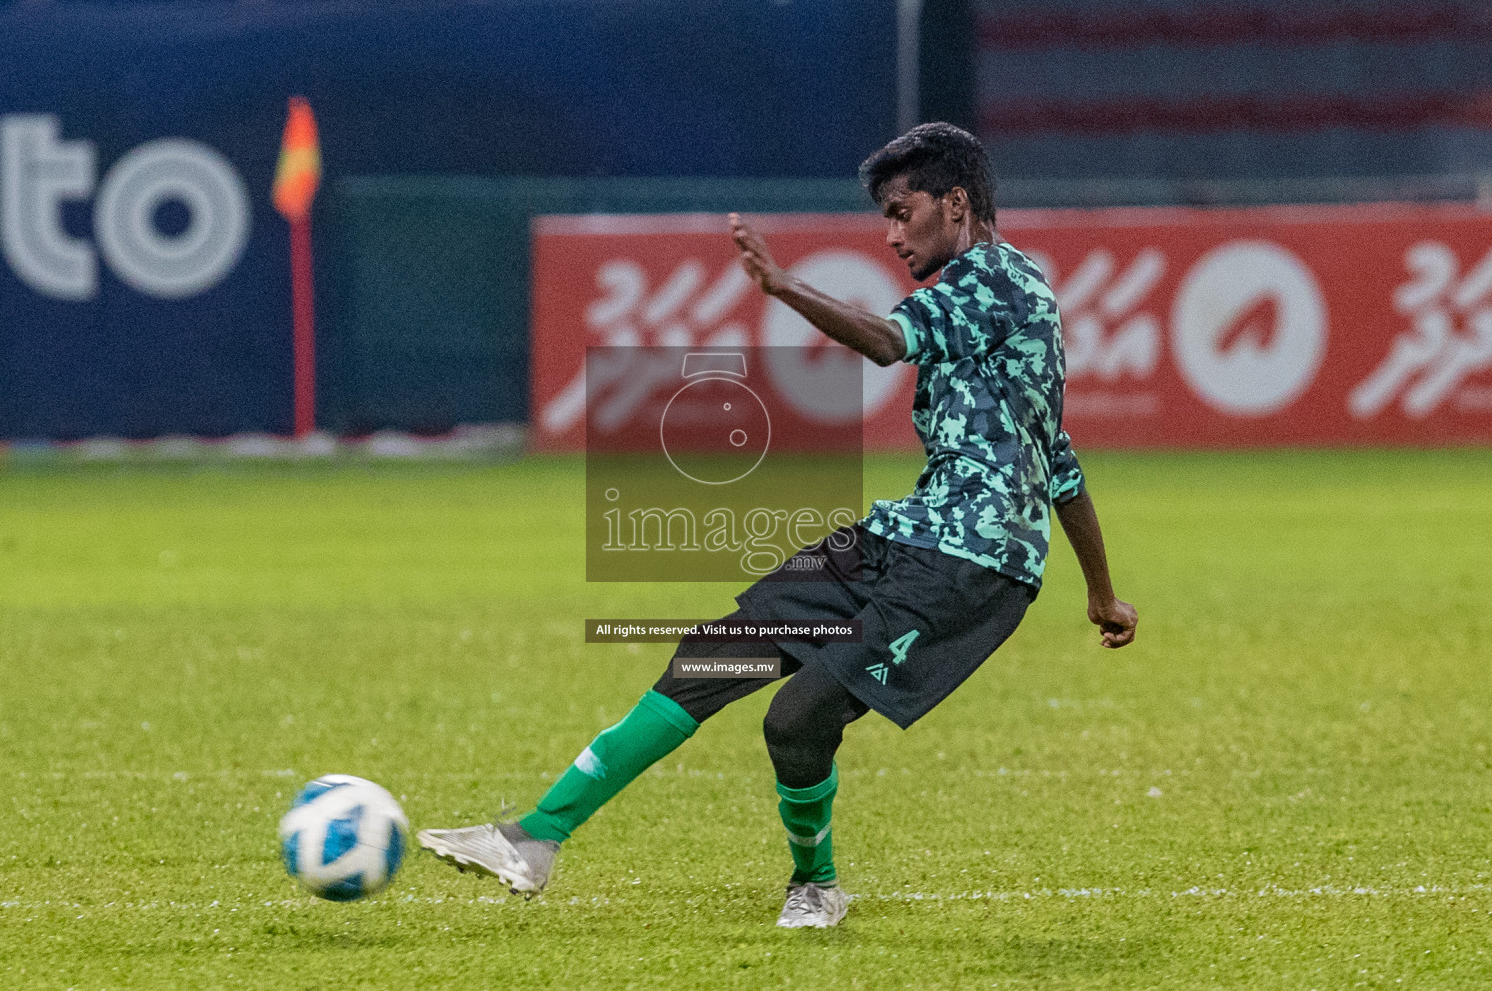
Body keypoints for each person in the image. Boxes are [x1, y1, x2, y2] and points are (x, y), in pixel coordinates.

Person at [419, 122, 1138, 929]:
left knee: (794, 719)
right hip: (903, 533)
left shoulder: (995, 286)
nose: (891, 234)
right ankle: (535, 837)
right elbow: (1059, 459)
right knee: (714, 651)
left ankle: (817, 885)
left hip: (969, 569)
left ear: (956, 203)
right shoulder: (998, 301)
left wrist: (783, 288)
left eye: (903, 212)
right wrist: (1104, 596)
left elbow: (885, 343)